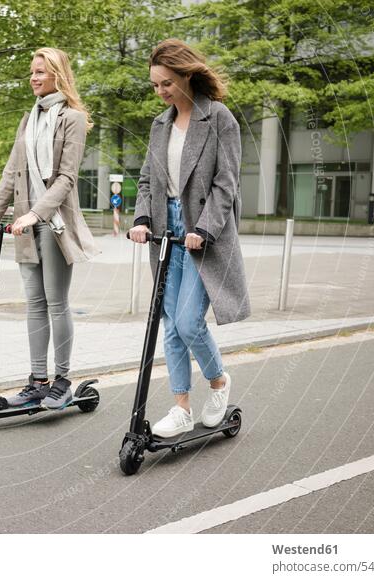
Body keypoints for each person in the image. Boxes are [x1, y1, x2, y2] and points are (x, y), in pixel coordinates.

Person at [128, 39, 250, 438]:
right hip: (166, 228)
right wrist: (142, 217)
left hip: (203, 232)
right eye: (155, 85)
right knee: (168, 321)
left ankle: (218, 382)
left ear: (186, 76)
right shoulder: (160, 125)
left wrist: (204, 229)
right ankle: (181, 406)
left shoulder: (219, 118)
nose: (161, 91)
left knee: (186, 321)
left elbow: (226, 182)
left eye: (166, 83)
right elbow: (148, 179)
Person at [0, 47, 100, 410]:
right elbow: (12, 173)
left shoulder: (72, 118)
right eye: (31, 72)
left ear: (57, 75)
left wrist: (35, 214)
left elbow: (66, 178)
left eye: (40, 72)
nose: (33, 77)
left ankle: (62, 381)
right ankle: (37, 381)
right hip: (25, 225)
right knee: (34, 304)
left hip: (55, 224)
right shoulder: (29, 119)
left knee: (56, 303)